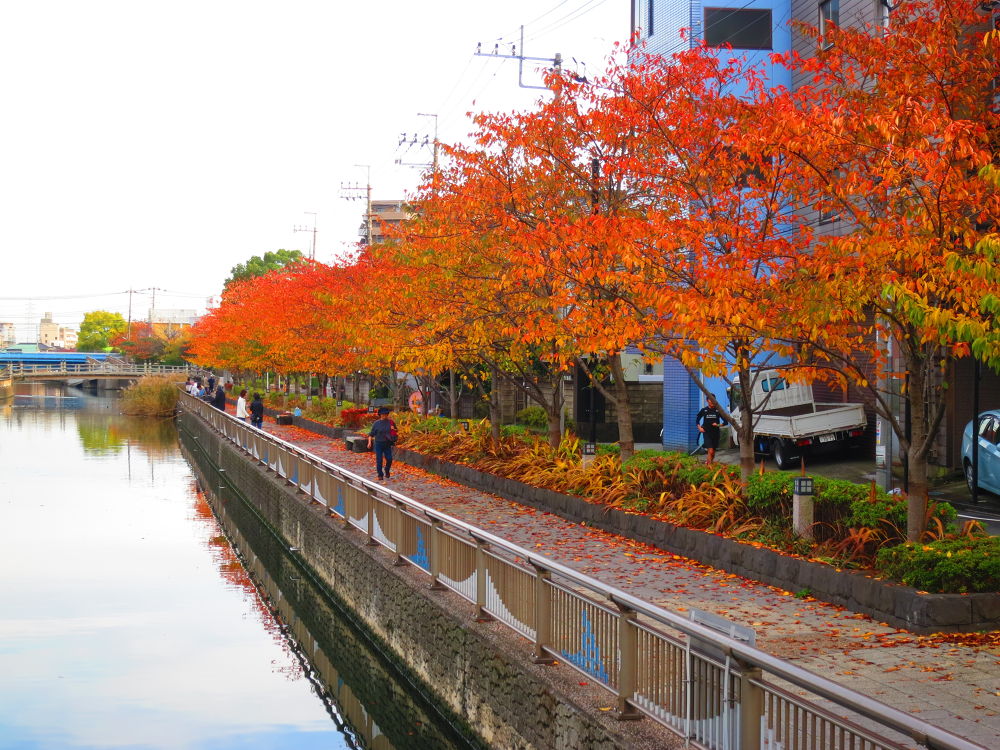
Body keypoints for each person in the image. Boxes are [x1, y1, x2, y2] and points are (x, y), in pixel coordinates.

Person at [367, 406, 396, 480]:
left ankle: (387, 469)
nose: (384, 416)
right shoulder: (376, 423)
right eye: (383, 414)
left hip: (387, 443)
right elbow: (371, 434)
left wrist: (394, 429)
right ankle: (380, 474)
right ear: (380, 415)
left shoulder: (391, 422)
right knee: (379, 460)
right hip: (378, 444)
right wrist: (369, 443)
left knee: (389, 459)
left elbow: (395, 431)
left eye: (386, 414)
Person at [695, 395, 725, 465]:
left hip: (715, 433)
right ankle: (709, 465)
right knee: (710, 451)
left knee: (712, 452)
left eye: (713, 400)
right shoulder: (704, 410)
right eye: (710, 400)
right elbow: (697, 420)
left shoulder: (718, 410)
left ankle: (708, 464)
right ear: (707, 401)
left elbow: (725, 422)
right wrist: (699, 428)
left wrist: (717, 425)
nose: (711, 402)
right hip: (707, 432)